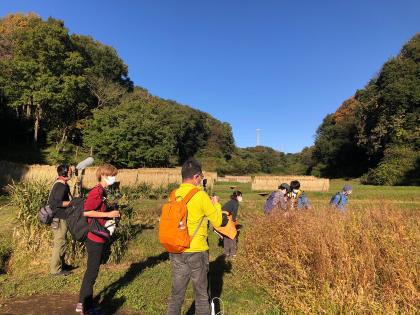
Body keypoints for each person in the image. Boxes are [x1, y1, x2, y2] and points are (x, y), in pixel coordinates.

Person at [167, 159, 225, 315]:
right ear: (196, 176)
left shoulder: (174, 194)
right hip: (196, 249)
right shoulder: (200, 195)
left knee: (176, 294)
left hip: (177, 249)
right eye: (200, 177)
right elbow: (218, 221)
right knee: (201, 295)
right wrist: (216, 204)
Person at [76, 164, 121, 315]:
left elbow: (96, 209)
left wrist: (109, 210)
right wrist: (108, 215)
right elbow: (87, 212)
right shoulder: (97, 191)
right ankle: (86, 308)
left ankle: (82, 304)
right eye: (112, 175)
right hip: (94, 238)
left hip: (97, 237)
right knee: (92, 273)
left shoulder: (102, 191)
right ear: (103, 175)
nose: (114, 178)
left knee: (91, 272)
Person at [49, 164, 73, 276]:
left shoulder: (61, 183)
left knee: (62, 242)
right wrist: (72, 203)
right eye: (70, 171)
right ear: (64, 173)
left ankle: (61, 265)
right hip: (59, 218)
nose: (71, 173)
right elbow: (54, 203)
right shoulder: (61, 186)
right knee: (59, 242)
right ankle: (55, 270)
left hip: (60, 217)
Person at [222, 191, 242, 259]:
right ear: (237, 196)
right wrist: (235, 224)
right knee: (233, 235)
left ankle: (226, 253)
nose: (241, 197)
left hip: (221, 220)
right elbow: (233, 217)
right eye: (240, 196)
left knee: (226, 235)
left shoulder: (230, 202)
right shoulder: (236, 203)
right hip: (226, 220)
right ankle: (233, 254)